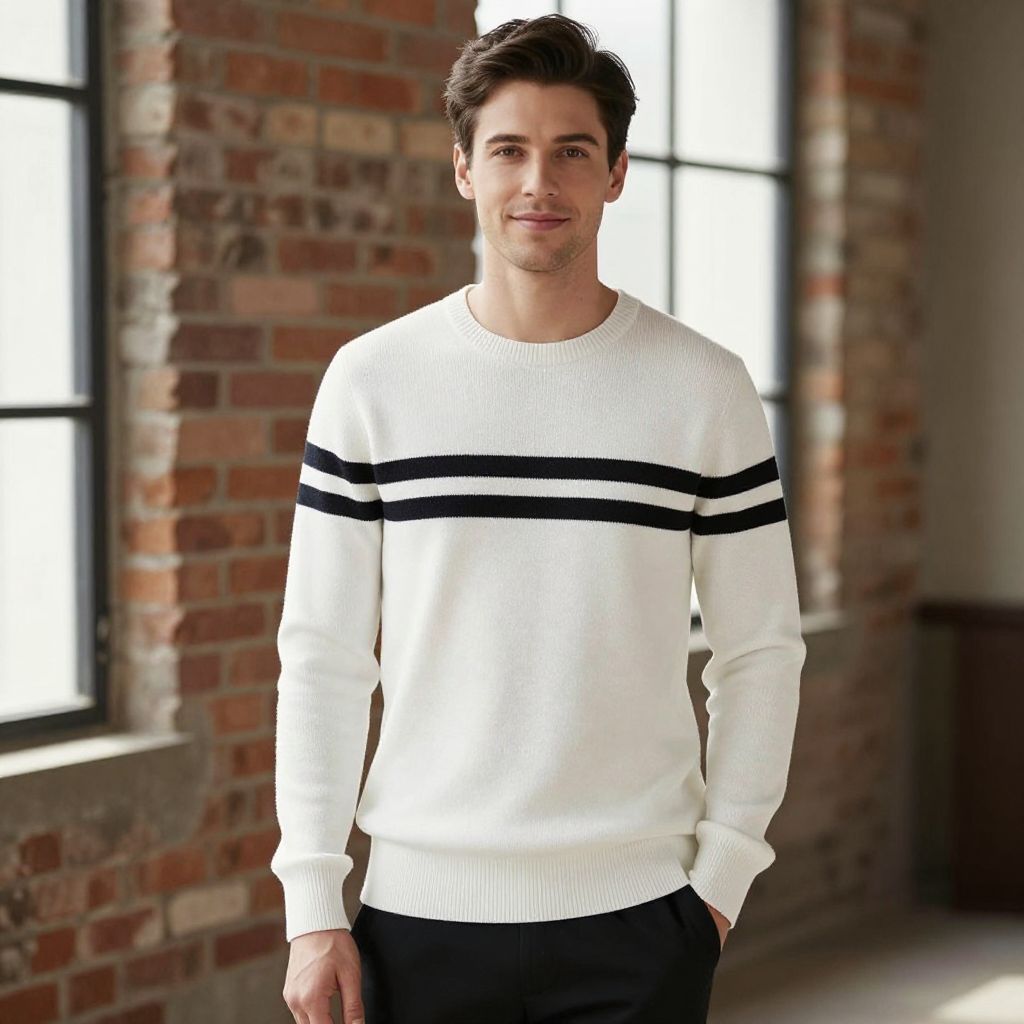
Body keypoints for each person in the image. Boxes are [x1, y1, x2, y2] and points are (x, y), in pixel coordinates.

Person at [272, 13, 805, 1024]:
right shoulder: (371, 382)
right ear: (464, 168)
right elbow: (324, 659)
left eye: (572, 152)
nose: (538, 183)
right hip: (415, 920)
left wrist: (721, 883)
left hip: (642, 925)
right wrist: (311, 906)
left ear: (616, 174)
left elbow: (761, 653)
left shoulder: (704, 388)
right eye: (509, 150)